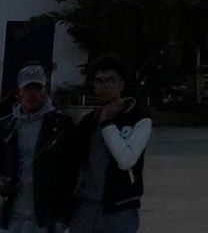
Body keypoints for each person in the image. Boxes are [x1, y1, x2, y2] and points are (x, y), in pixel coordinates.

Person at [72, 54, 151, 233]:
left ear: (121, 83)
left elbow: (126, 160)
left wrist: (108, 124)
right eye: (99, 81)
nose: (104, 86)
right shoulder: (88, 122)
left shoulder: (139, 119)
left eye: (110, 80)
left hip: (120, 209)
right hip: (85, 208)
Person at [0, 62, 76, 233]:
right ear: (19, 92)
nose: (32, 94)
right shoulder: (5, 127)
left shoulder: (62, 127)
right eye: (27, 89)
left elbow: (70, 176)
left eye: (37, 88)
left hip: (44, 219)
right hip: (10, 216)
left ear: (45, 91)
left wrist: (62, 218)